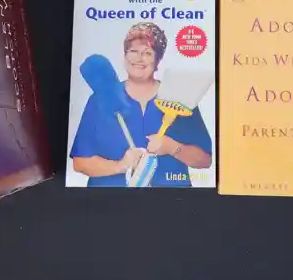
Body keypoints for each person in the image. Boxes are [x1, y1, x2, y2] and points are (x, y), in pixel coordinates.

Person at [70, 22, 213, 187]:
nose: (139, 58)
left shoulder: (179, 98)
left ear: (157, 60)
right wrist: (120, 165)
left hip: (170, 199)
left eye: (147, 53)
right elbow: (80, 162)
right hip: (110, 199)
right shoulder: (99, 100)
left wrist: (173, 148)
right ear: (125, 56)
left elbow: (205, 160)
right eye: (133, 51)